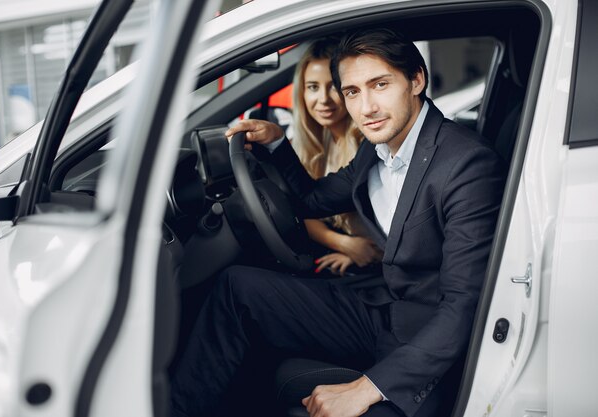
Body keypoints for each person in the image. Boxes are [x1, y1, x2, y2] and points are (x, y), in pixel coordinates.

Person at [170, 28, 506, 417]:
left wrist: (368, 387)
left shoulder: (466, 165)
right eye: (352, 92)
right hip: (383, 308)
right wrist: (278, 143)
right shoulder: (377, 145)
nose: (366, 108)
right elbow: (312, 200)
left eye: (380, 85)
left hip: (428, 338)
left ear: (417, 79)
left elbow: (465, 306)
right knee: (238, 288)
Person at [291, 38, 382, 275]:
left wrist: (358, 252)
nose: (323, 99)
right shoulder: (316, 144)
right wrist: (343, 244)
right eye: (312, 87)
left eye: (333, 86)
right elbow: (299, 205)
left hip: (379, 266)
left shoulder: (369, 145)